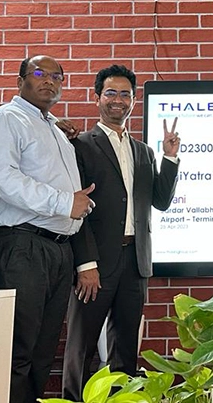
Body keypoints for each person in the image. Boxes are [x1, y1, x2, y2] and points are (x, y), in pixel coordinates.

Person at [0, 55, 96, 403]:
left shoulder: (51, 127)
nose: (50, 81)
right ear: (20, 80)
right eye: (40, 73)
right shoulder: (5, 121)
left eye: (57, 76)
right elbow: (3, 179)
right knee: (18, 350)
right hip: (22, 246)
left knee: (44, 351)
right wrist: (63, 203)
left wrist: (77, 207)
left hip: (58, 248)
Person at [62, 65, 180, 400]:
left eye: (125, 94)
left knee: (125, 346)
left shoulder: (144, 151)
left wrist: (170, 158)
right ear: (97, 97)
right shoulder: (81, 146)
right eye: (111, 93)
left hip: (135, 261)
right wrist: (85, 264)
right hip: (96, 263)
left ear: (133, 99)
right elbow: (77, 210)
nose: (118, 100)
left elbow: (160, 201)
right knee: (81, 346)